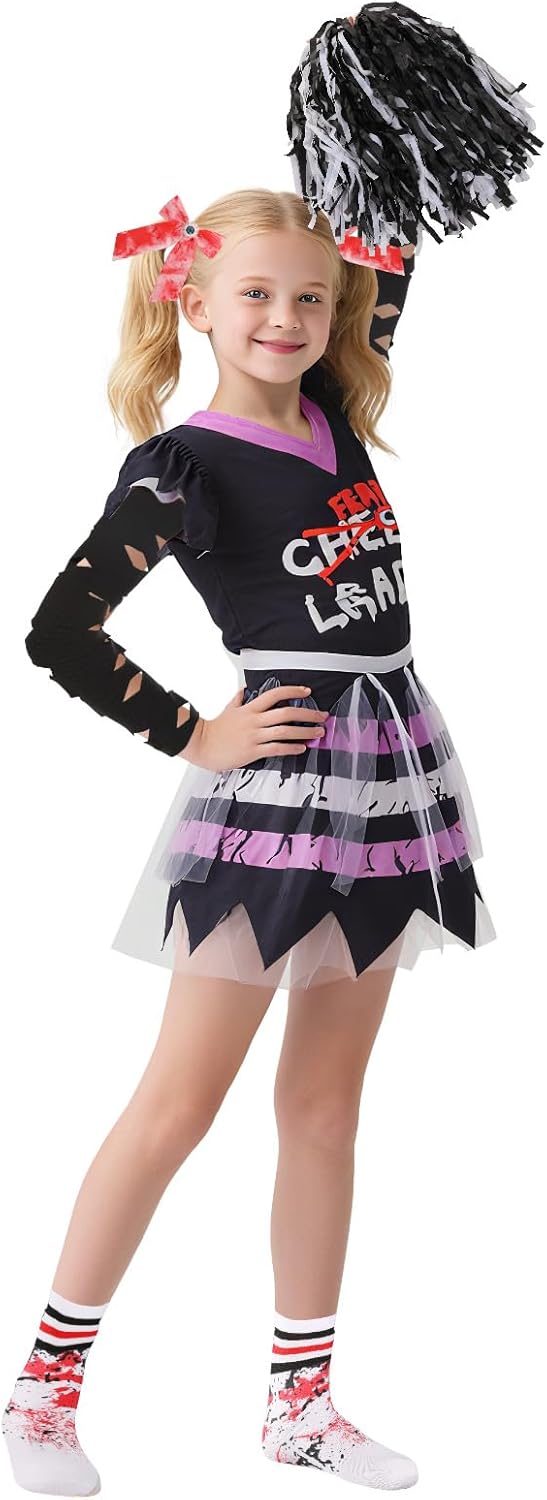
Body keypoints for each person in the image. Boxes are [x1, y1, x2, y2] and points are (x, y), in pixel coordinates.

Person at [2, 184, 497, 1496]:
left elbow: (388, 246)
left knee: (325, 1105)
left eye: (310, 297)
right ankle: (41, 1395)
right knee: (179, 1104)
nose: (286, 318)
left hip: (387, 781)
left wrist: (378, 138)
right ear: (195, 300)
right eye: (257, 294)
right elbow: (59, 630)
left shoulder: (334, 408)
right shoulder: (184, 467)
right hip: (274, 804)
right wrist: (192, 731)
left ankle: (301, 1406)